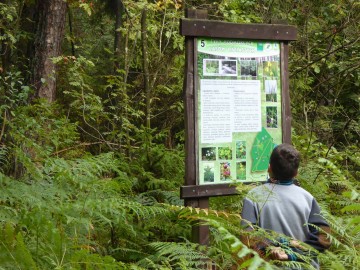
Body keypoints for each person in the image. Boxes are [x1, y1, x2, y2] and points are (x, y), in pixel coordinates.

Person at [241, 143, 331, 268]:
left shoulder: (253, 196)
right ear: (296, 173)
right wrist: (293, 254)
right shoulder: (307, 198)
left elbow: (248, 238)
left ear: (269, 168)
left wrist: (272, 247)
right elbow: (324, 238)